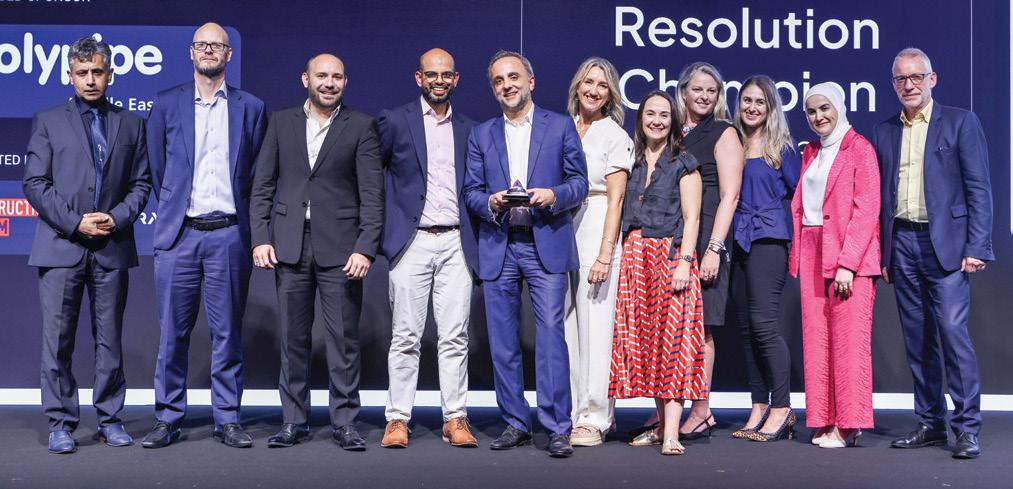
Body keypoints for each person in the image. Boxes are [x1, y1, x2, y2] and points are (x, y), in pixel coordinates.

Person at [142, 22, 268, 449]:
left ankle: (227, 418)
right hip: (180, 235)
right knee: (172, 335)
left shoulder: (251, 108)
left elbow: (257, 174)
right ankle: (167, 418)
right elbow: (158, 169)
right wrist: (176, 210)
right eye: (202, 45)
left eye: (217, 45)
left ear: (229, 54)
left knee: (227, 333)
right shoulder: (166, 104)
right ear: (191, 52)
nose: (209, 50)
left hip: (229, 235)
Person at [23, 36, 151, 454]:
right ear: (70, 76)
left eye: (97, 72)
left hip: (112, 247)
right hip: (61, 247)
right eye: (82, 73)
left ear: (110, 74)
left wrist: (117, 217)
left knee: (109, 340)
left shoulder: (131, 123)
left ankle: (110, 419)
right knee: (57, 341)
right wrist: (75, 222)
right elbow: (35, 183)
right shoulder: (47, 120)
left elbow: (141, 183)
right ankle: (60, 423)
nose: (90, 80)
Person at [250, 54, 383, 451]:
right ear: (305, 78)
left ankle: (345, 423)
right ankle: (294, 421)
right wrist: (260, 238)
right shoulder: (280, 122)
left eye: (337, 77)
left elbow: (373, 194)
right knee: (292, 340)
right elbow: (262, 185)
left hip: (342, 249)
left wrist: (365, 248)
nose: (329, 83)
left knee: (343, 340)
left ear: (345, 81)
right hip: (289, 245)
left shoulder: (361, 126)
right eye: (321, 75)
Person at [461, 50, 588, 458]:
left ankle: (557, 427)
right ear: (493, 89)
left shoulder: (560, 126)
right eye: (499, 81)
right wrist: (491, 202)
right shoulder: (481, 134)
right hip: (499, 243)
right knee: (502, 342)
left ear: (531, 82)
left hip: (544, 240)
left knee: (551, 338)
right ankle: (515, 422)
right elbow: (471, 192)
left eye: (513, 77)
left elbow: (579, 183)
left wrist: (554, 195)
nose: (507, 85)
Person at [872, 48, 993, 460]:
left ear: (932, 79)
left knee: (953, 336)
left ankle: (967, 428)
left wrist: (977, 246)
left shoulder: (960, 122)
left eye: (916, 77)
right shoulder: (885, 130)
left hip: (948, 246)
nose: (909, 85)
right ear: (893, 84)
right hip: (902, 243)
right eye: (901, 79)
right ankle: (930, 422)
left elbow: (979, 188)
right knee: (917, 339)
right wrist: (884, 252)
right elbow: (882, 197)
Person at [376, 48, 478, 449]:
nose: (439, 80)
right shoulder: (394, 120)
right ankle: (397, 419)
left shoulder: (470, 128)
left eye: (446, 75)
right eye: (432, 74)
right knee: (405, 335)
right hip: (412, 240)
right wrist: (384, 233)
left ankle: (455, 418)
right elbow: (373, 177)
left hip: (456, 240)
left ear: (456, 79)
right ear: (418, 78)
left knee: (455, 337)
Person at [610, 90, 704, 456]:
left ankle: (672, 434)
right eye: (651, 114)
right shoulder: (631, 160)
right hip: (635, 257)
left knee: (673, 345)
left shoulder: (684, 163)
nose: (657, 121)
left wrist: (684, 261)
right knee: (649, 346)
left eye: (664, 115)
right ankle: (662, 425)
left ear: (673, 121)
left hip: (670, 256)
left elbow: (692, 218)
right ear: (641, 118)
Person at [789, 82, 880, 449]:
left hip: (848, 257)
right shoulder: (811, 150)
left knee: (849, 342)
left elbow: (867, 209)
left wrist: (848, 264)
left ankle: (849, 424)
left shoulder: (860, 148)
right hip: (813, 250)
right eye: (811, 111)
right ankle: (825, 418)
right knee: (817, 341)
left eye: (824, 108)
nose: (818, 116)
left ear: (839, 107)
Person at [562, 57, 633, 447]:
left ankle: (596, 416)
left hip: (597, 226)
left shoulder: (614, 135)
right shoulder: (563, 127)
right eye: (588, 82)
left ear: (611, 94)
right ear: (577, 86)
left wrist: (606, 254)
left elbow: (617, 200)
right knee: (569, 327)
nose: (593, 90)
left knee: (596, 328)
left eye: (602, 85)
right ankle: (574, 411)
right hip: (563, 229)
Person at [728, 75, 801, 442]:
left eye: (760, 101)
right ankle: (758, 405)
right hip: (737, 241)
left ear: (771, 107)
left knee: (764, 326)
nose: (752, 107)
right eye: (747, 100)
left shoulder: (781, 147)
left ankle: (782, 406)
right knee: (745, 329)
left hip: (769, 239)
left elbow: (800, 195)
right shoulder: (733, 142)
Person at [674, 62, 744, 438]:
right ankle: (666, 407)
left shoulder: (723, 131)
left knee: (701, 326)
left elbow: (730, 196)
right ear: (683, 91)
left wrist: (714, 248)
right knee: (671, 324)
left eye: (711, 91)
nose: (704, 96)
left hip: (707, 238)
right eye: (698, 89)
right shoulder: (671, 129)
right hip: (673, 236)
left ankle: (701, 409)